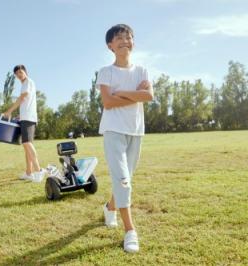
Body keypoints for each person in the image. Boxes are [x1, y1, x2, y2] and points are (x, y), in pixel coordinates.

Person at [96, 24, 154, 253]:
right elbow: (107, 103)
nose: (124, 40)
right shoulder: (106, 72)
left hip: (136, 131)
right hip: (113, 130)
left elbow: (148, 95)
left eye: (128, 36)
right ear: (110, 46)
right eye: (118, 38)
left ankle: (110, 208)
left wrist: (121, 93)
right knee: (123, 180)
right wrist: (135, 95)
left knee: (126, 178)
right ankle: (130, 230)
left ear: (133, 42)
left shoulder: (142, 71)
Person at [3, 65, 45, 182]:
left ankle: (38, 171)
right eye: (17, 74)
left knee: (27, 143)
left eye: (21, 72)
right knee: (26, 145)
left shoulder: (27, 82)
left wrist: (9, 111)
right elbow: (26, 102)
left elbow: (22, 98)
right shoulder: (25, 84)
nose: (19, 75)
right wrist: (20, 115)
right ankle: (29, 173)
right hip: (25, 117)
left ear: (25, 72)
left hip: (29, 118)